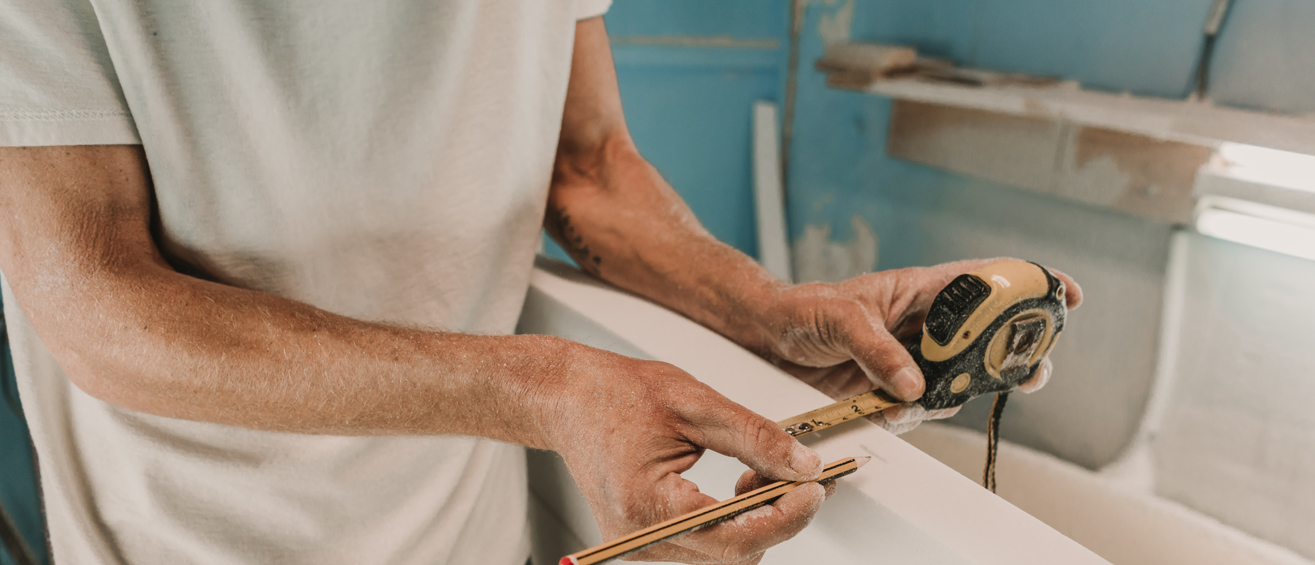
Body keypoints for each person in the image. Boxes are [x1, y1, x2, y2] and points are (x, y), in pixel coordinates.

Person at [0, 1, 1082, 564]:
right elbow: (99, 304)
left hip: (468, 531)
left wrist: (779, 314)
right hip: (192, 540)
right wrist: (544, 391)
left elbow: (588, 168)